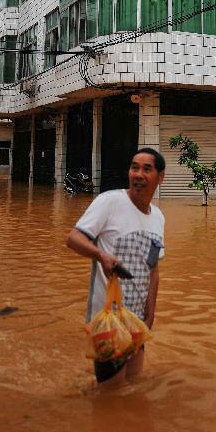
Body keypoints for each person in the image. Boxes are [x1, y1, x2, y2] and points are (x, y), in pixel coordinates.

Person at [66, 147, 166, 384]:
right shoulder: (109, 201)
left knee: (133, 386)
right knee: (110, 394)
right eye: (134, 167)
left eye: (147, 169)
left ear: (160, 177)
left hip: (136, 320)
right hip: (107, 319)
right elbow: (73, 239)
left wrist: (150, 316)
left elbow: (153, 270)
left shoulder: (158, 217)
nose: (138, 174)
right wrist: (101, 255)